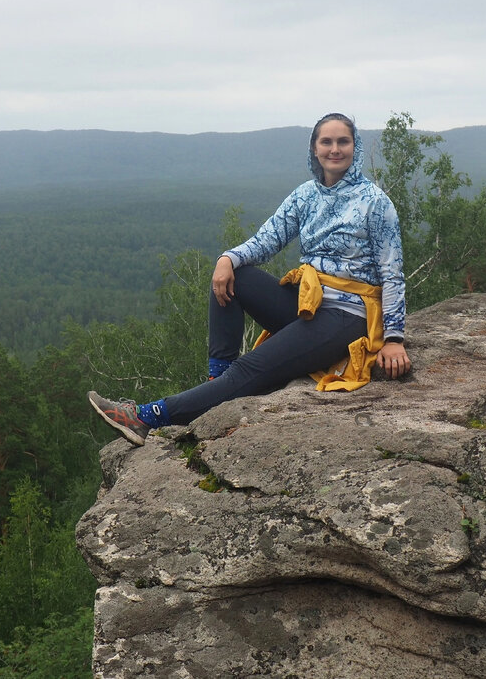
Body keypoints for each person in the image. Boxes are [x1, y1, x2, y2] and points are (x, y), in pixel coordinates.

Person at [89, 112, 410, 446]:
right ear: (314, 148)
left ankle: (146, 418)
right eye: (326, 141)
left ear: (355, 147)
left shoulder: (375, 203)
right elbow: (266, 240)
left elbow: (392, 274)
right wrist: (227, 258)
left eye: (343, 141)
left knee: (252, 368)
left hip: (346, 315)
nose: (334, 149)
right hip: (308, 302)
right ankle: (219, 381)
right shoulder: (306, 195)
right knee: (232, 276)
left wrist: (394, 339)